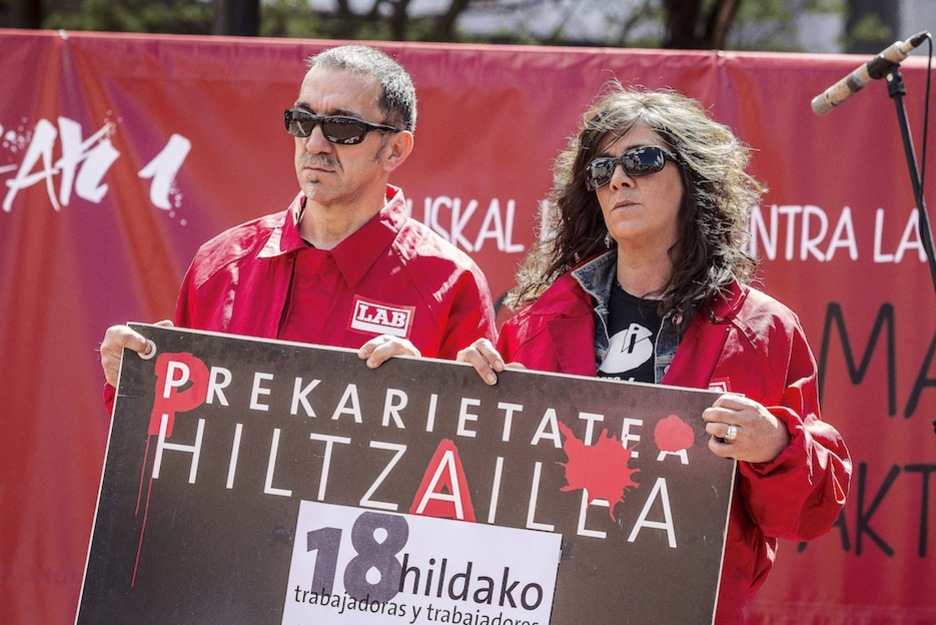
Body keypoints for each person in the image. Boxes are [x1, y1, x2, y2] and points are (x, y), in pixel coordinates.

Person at [457, 83, 851, 624]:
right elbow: (480, 492)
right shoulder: (532, 327)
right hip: (550, 602)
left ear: (692, 178)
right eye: (601, 170)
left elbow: (806, 516)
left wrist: (776, 446)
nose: (618, 178)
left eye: (641, 159)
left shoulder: (763, 330)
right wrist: (463, 403)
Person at [100, 44, 495, 399]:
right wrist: (132, 380)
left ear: (394, 149)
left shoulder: (449, 281)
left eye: (343, 128)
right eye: (302, 121)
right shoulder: (221, 264)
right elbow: (175, 429)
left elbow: (478, 452)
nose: (315, 143)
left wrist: (430, 399)